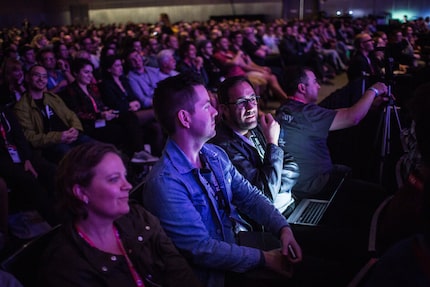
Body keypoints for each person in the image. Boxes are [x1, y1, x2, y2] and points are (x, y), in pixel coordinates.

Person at [142, 73, 302, 287]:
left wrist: (283, 229)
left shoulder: (213, 154)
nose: (216, 112)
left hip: (235, 246)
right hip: (217, 277)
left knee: (314, 250)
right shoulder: (165, 183)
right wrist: (264, 259)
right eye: (207, 106)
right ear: (184, 118)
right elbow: (203, 249)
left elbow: (251, 197)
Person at [38, 142, 202, 287]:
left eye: (125, 176)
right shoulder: (65, 264)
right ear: (81, 192)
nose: (128, 185)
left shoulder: (138, 217)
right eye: (114, 179)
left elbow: (180, 273)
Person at [276, 65, 388, 199]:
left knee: (347, 170)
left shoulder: (285, 108)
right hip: (313, 186)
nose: (318, 86)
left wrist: (370, 104)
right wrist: (373, 90)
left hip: (297, 181)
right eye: (315, 82)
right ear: (302, 88)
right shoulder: (308, 114)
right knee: (379, 193)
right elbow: (352, 117)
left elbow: (335, 114)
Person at [210, 76, 299, 218]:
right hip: (271, 223)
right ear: (224, 109)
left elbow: (293, 166)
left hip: (290, 205)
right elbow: (264, 197)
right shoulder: (222, 147)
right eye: (241, 102)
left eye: (252, 99)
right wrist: (272, 143)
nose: (251, 107)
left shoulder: (257, 126)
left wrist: (273, 185)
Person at [13, 65, 92, 164]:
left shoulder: (53, 97)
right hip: (51, 144)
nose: (41, 79)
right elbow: (30, 138)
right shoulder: (21, 107)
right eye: (37, 75)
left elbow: (71, 115)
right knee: (74, 158)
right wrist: (59, 137)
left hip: (69, 135)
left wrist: (75, 128)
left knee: (98, 149)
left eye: (45, 76)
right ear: (28, 78)